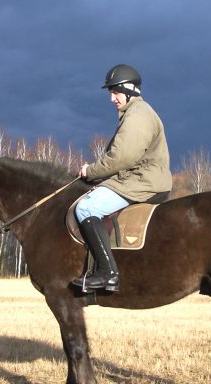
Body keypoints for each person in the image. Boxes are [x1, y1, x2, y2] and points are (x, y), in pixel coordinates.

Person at [72, 64, 172, 292]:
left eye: (115, 92)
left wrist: (91, 171)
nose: (112, 98)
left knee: (86, 208)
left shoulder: (138, 115)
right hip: (139, 178)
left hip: (142, 181)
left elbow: (121, 157)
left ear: (129, 90)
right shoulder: (136, 113)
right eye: (111, 92)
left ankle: (107, 273)